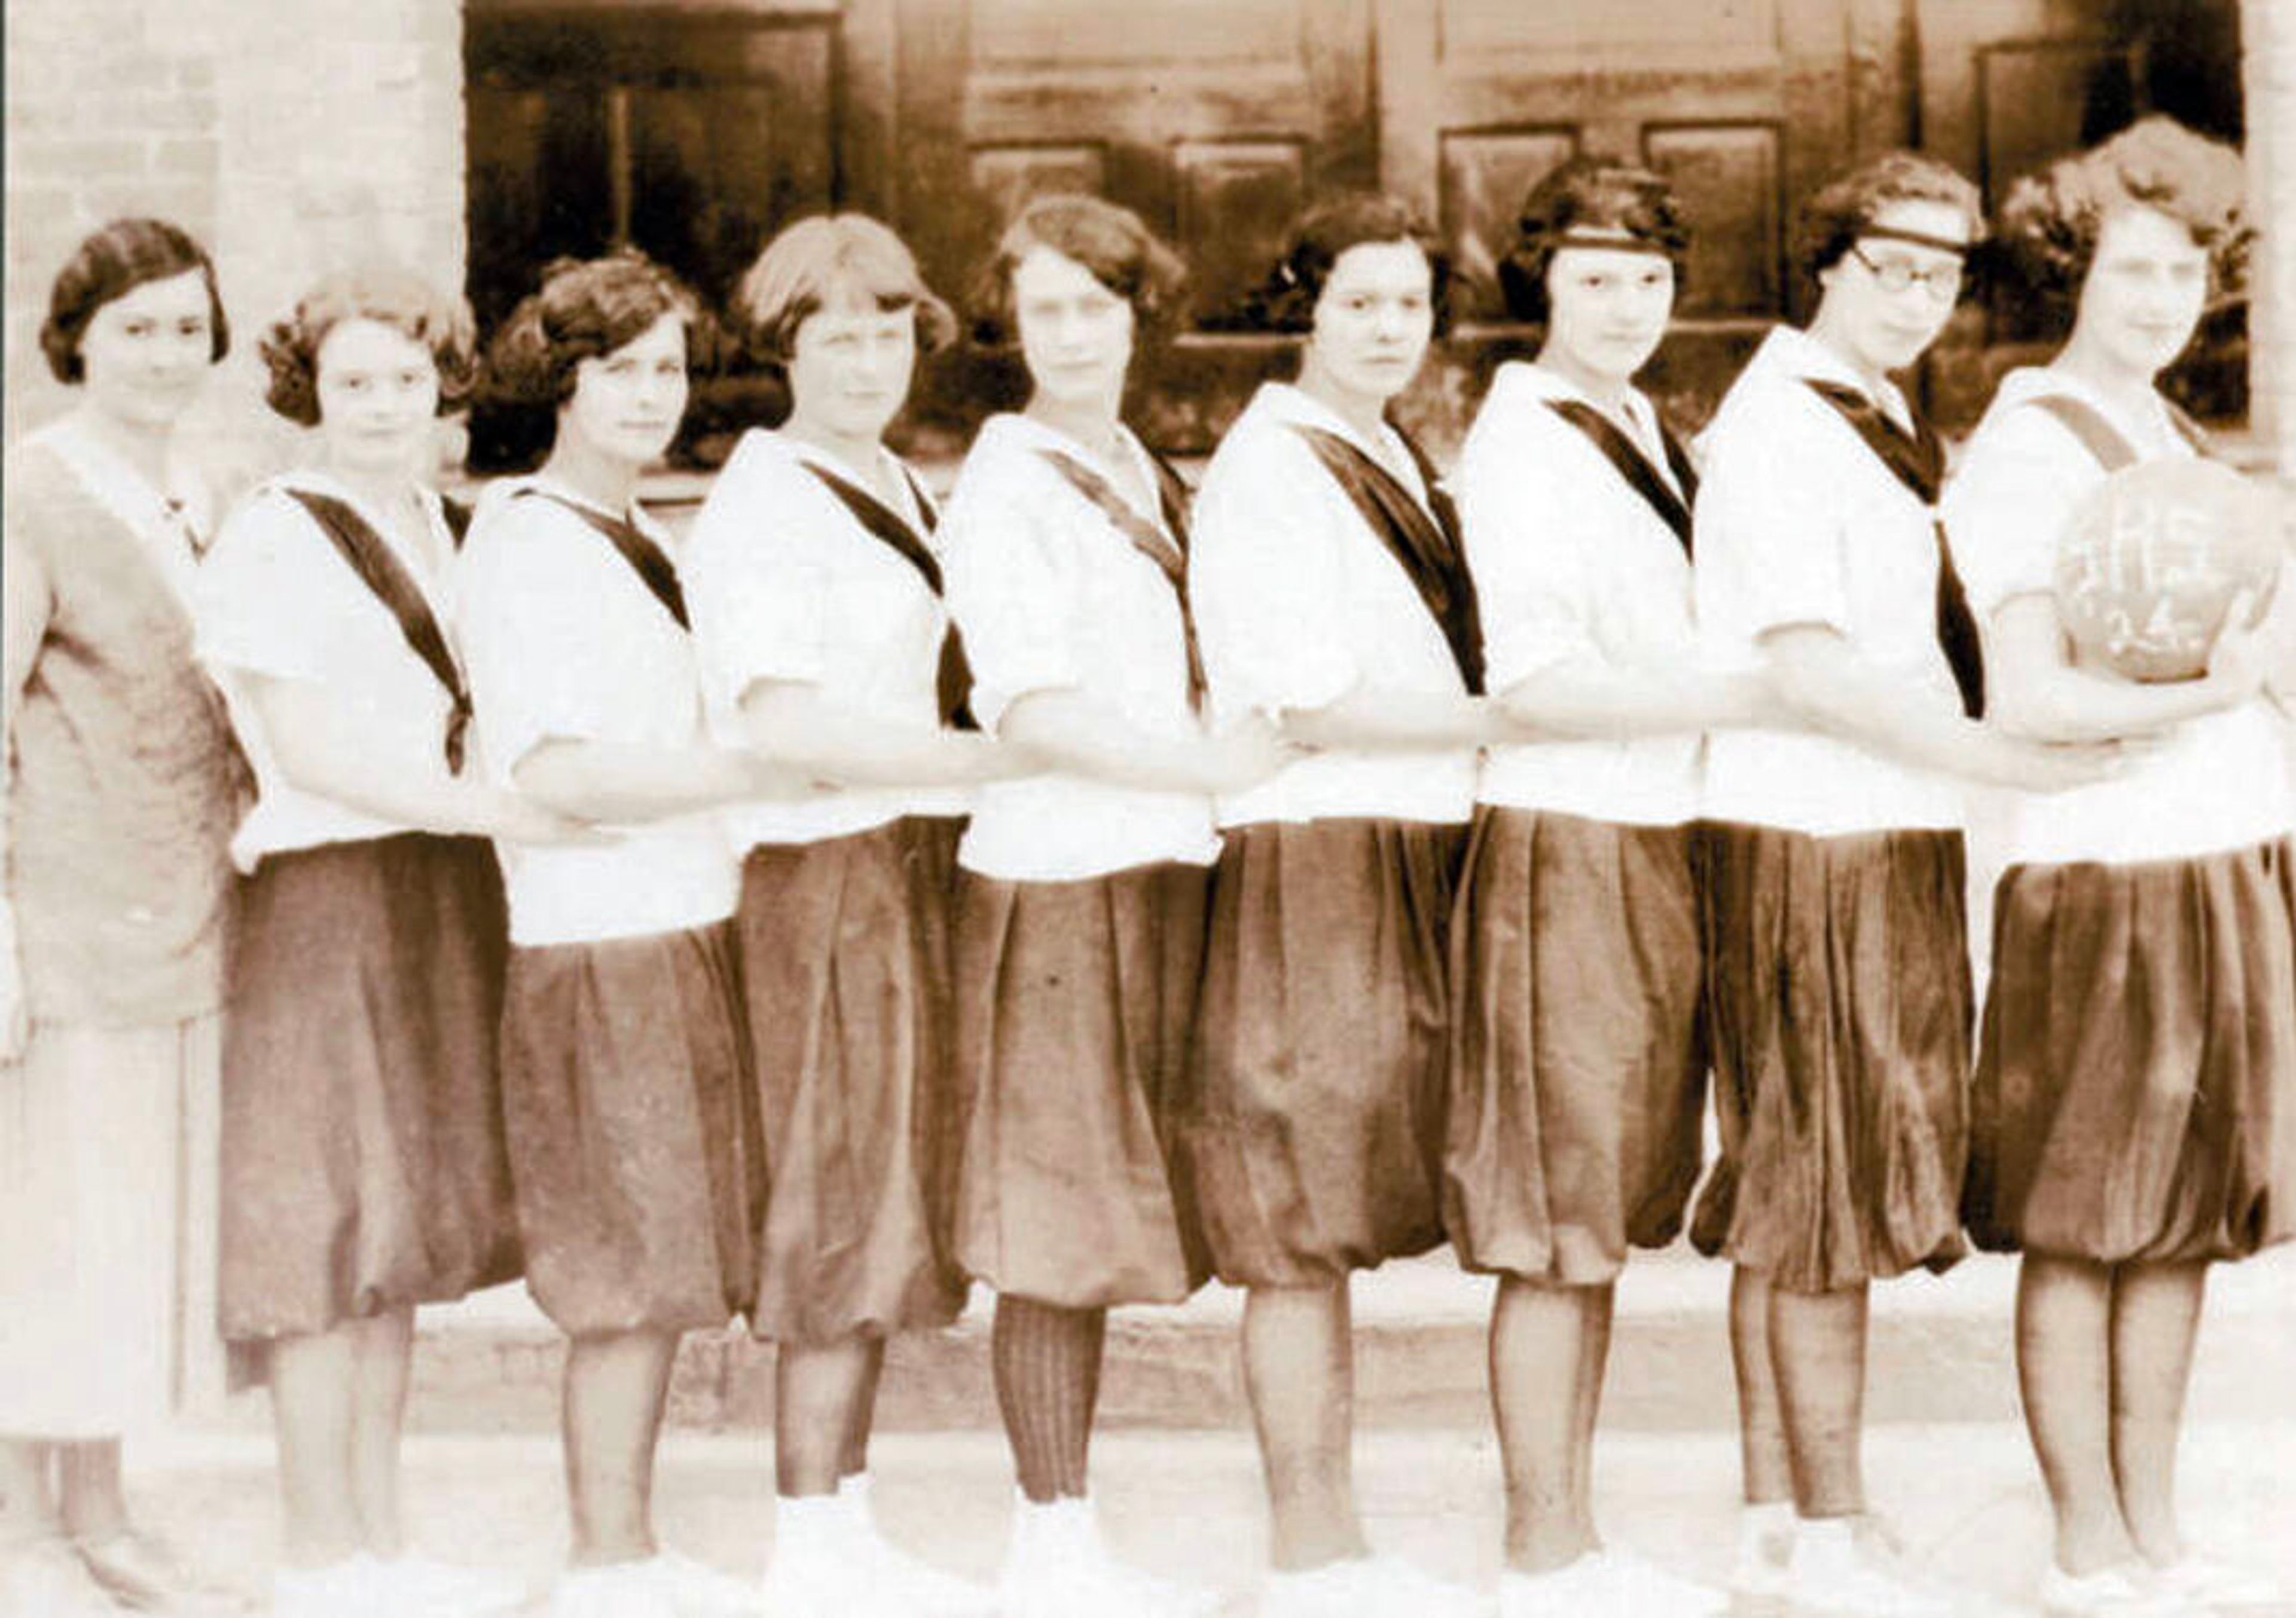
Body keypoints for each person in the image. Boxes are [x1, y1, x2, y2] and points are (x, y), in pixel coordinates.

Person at [1690, 152, 2125, 1618]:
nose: (1918, 299)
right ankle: (1826, 1526)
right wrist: (1995, 757)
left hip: (1881, 823)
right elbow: (1806, 666)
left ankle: (1777, 1518)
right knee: (1822, 1194)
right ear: (1828, 262)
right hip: (1821, 834)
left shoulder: (1867, 407)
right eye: (1890, 267)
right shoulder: (1777, 426)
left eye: (1943, 275)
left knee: (1800, 1187)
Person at [1946, 116, 2293, 1618]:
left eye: (2188, 273)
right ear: (2069, 267)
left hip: (2217, 850)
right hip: (2106, 871)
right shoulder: (2026, 448)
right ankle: (2083, 1545)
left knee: (2190, 1214)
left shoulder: (2165, 434)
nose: (2162, 298)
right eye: (2133, 267)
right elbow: (2030, 698)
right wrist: (2221, 693)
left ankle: (2154, 1530)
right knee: (2092, 1217)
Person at [197, 261, 566, 1618]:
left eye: (405, 380)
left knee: (398, 1230)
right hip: (330, 894)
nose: (379, 404)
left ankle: (383, 1544)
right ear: (309, 392)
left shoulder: (436, 518)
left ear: (442, 388)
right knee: (324, 1234)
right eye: (350, 382)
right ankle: (316, 1558)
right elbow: (308, 748)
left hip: (435, 886)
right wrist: (496, 810)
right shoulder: (277, 531)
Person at [938, 193, 1287, 1618]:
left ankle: (1068, 1529)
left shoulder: (1136, 461)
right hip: (1060, 875)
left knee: (1114, 1202)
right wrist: (1202, 766)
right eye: (1048, 310)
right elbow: (1031, 706)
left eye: (1099, 304)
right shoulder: (1004, 483)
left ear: (1140, 311)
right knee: (1057, 1219)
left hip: (1156, 864)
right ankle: (1049, 1541)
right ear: (1014, 327)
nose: (1074, 334)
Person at [457, 249, 805, 1618]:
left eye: (668, 368)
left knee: (666, 1260)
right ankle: (605, 1564)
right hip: (601, 941)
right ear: (561, 379)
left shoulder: (642, 530)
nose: (651, 395)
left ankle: (631, 1552)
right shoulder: (527, 535)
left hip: (683, 923)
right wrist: (752, 779)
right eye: (620, 371)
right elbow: (558, 770)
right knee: (621, 1272)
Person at [1448, 157, 1771, 1618]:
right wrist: (1744, 693)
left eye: (1649, 279)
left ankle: (1567, 1538)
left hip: (1653, 834)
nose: (1628, 305)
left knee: (1602, 1210)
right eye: (1594, 280)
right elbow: (1537, 683)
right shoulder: (1520, 444)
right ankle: (1539, 1548)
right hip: (1570, 840)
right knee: (1561, 1217)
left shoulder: (1636, 420)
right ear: (1542, 287)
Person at [1183, 193, 1509, 1618]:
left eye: (1411, 304)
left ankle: (1337, 1537)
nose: (1389, 327)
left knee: (1358, 1189)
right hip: (1319, 851)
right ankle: (1310, 1551)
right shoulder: (1269, 465)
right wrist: (1510, 723)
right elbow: (1306, 699)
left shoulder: (1391, 449)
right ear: (1302, 305)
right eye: (1361, 301)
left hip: (1409, 833)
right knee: (1301, 1218)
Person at [682, 213, 1004, 1618]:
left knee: (883, 1196)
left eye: (888, 332)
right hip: (825, 875)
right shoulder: (767, 501)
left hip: (905, 863)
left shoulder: (887, 479)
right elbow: (793, 727)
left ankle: (847, 1519)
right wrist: (995, 761)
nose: (868, 360)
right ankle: (804, 1539)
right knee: (834, 1197)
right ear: (784, 349)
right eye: (836, 337)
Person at [0, 218, 244, 1615]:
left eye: (186, 327)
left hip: (181, 913)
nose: (165, 353)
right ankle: (23, 1524)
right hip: (67, 917)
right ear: (79, 338)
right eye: (136, 328)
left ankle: (100, 1507)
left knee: (116, 1226)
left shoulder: (199, 486)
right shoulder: (34, 489)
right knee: (45, 1225)